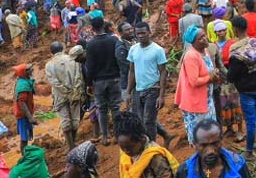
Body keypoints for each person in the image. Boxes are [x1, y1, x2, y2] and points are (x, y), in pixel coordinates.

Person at [226, 17, 256, 158]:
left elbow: (231, 76)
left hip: (246, 91)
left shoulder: (236, 52)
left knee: (250, 121)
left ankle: (249, 151)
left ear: (236, 29)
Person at [175, 26, 220, 146]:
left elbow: (209, 69)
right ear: (193, 42)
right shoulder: (191, 56)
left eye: (205, 35)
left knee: (209, 132)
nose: (205, 39)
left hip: (206, 100)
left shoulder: (205, 51)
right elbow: (194, 81)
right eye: (201, 38)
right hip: (195, 103)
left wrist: (214, 72)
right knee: (200, 137)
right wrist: (210, 78)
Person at [126, 21, 169, 143]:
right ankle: (164, 136)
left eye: (143, 33)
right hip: (138, 90)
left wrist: (161, 95)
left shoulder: (157, 50)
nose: (140, 36)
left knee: (148, 121)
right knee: (140, 120)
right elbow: (132, 71)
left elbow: (163, 72)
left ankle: (151, 147)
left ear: (149, 33)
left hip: (153, 89)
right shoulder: (133, 49)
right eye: (138, 33)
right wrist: (128, 92)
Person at [85, 16, 121, 146]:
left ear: (92, 28)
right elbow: (118, 59)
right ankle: (117, 135)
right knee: (115, 107)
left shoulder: (90, 44)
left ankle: (105, 136)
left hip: (99, 81)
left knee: (102, 108)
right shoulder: (113, 40)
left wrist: (89, 83)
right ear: (103, 25)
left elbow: (90, 66)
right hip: (115, 78)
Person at [175, 119, 250, 178]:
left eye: (214, 144)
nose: (210, 151)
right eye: (204, 145)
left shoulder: (238, 164)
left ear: (221, 141)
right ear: (195, 144)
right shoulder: (185, 171)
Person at [116, 111, 179, 178]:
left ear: (142, 139)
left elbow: (166, 175)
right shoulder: (127, 153)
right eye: (122, 147)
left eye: (130, 147)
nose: (126, 151)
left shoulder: (155, 156)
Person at [45, 41, 84, 150]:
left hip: (60, 96)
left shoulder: (49, 65)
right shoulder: (73, 60)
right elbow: (78, 77)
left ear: (51, 52)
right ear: (63, 49)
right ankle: (74, 142)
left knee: (65, 121)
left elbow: (54, 82)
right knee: (75, 120)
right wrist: (74, 92)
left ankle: (70, 146)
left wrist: (66, 92)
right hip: (75, 94)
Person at [12, 64, 38, 154]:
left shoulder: (25, 81)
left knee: (25, 137)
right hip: (23, 115)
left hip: (24, 113)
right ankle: (24, 157)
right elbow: (22, 102)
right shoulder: (22, 85)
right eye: (29, 70)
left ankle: (25, 155)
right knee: (24, 138)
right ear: (24, 72)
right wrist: (30, 117)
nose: (32, 70)